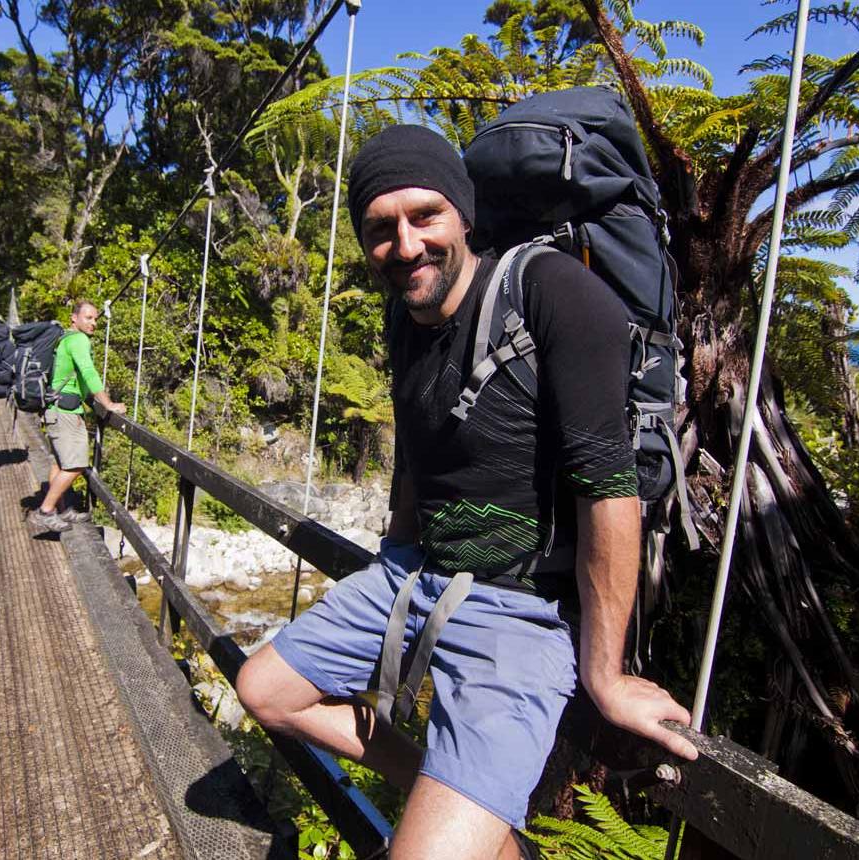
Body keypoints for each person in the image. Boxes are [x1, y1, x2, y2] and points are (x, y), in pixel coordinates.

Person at [235, 125, 697, 860]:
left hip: (522, 610)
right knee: (264, 688)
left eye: (425, 216)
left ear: (464, 215)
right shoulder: (403, 315)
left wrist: (604, 677)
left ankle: (458, 814)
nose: (407, 245)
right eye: (381, 229)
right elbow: (418, 453)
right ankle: (450, 797)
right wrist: (393, 553)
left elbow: (608, 489)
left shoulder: (549, 290)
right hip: (416, 575)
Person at [30, 300, 125, 532]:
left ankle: (62, 510)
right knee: (76, 465)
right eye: (88, 318)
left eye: (95, 319)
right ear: (74, 318)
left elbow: (78, 378)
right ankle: (45, 511)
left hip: (56, 410)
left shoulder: (65, 339)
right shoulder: (79, 340)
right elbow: (89, 373)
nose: (93, 323)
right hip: (65, 413)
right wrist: (108, 403)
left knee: (61, 462)